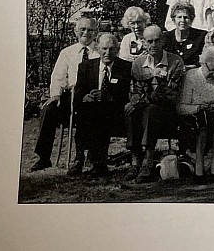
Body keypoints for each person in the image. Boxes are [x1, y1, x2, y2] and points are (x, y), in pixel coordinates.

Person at [30, 16, 99, 171]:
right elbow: (58, 76)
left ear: (96, 32)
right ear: (76, 31)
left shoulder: (100, 51)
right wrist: (55, 94)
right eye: (82, 29)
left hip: (90, 97)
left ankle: (82, 156)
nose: (86, 33)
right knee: (49, 109)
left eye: (90, 30)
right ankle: (44, 157)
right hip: (69, 95)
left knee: (87, 109)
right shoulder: (67, 52)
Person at [126, 25, 185, 182]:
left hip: (167, 112)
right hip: (144, 108)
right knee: (132, 111)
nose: (153, 45)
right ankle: (135, 161)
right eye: (149, 41)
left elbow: (170, 94)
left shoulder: (175, 62)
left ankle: (148, 161)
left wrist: (141, 101)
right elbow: (135, 90)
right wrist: (135, 101)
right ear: (144, 43)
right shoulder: (138, 63)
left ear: (163, 40)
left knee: (151, 110)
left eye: (157, 41)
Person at [69, 32, 131, 177]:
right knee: (88, 110)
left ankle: (98, 161)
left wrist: (108, 96)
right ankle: (80, 157)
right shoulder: (86, 66)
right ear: (97, 48)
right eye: (104, 49)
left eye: (111, 49)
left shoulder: (125, 68)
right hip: (90, 111)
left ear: (117, 50)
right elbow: (78, 92)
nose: (107, 53)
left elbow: (125, 95)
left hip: (114, 112)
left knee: (99, 112)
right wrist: (85, 96)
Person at [176, 46, 214, 182]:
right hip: (194, 118)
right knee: (204, 124)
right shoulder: (191, 76)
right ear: (203, 63)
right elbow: (180, 107)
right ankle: (199, 166)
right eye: (212, 70)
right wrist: (198, 107)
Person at [162, 1, 207, 67]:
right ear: (173, 19)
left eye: (186, 17)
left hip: (194, 73)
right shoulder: (166, 37)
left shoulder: (201, 36)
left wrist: (193, 66)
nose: (182, 20)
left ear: (192, 19)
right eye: (179, 17)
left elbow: (206, 59)